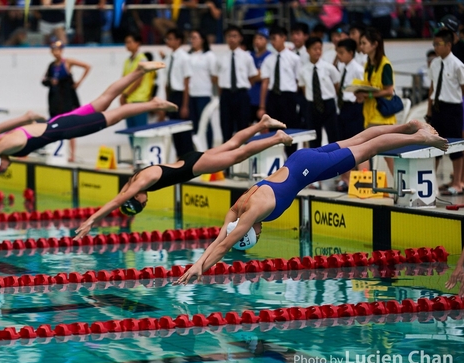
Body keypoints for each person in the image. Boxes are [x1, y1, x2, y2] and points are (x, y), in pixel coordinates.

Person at [174, 121, 448, 284]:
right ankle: (409, 126)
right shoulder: (236, 209)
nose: (260, 231)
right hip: (300, 161)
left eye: (256, 234)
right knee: (359, 139)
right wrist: (198, 264)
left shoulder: (253, 211)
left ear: (248, 230)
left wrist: (202, 267)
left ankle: (419, 137)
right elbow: (220, 239)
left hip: (309, 168)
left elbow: (224, 245)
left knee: (369, 148)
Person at [0, 62, 175, 198]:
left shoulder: (5, 146)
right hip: (60, 121)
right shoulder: (2, 142)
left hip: (66, 127)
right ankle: (138, 71)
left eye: (1, 169)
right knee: (105, 99)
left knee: (115, 115)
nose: (6, 169)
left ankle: (152, 103)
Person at [74, 115, 291, 238]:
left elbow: (116, 201)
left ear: (135, 197)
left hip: (193, 166)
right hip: (190, 161)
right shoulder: (134, 184)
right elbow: (120, 198)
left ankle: (276, 138)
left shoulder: (140, 183)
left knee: (238, 154)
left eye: (141, 205)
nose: (145, 202)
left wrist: (92, 220)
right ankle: (262, 124)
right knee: (231, 145)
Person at [427, 29, 464, 196]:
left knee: (454, 146)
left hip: (452, 108)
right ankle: (431, 182)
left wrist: (451, 97)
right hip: (438, 108)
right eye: (434, 44)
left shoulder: (458, 65)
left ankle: (457, 182)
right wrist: (430, 110)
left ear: (449, 45)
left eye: (439, 44)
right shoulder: (435, 64)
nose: (436, 47)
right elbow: (432, 87)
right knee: (435, 145)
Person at [354, 27, 398, 174]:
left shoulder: (384, 65)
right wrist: (361, 93)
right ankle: (365, 182)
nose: (361, 46)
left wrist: (370, 95)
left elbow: (389, 90)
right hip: (369, 114)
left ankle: (401, 183)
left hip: (381, 117)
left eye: (364, 43)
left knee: (383, 154)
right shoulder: (368, 65)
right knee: (372, 151)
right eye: (361, 43)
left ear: (375, 44)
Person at [41, 40, 91, 162]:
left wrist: (79, 82)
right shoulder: (51, 66)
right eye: (53, 50)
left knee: (70, 126)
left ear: (61, 50)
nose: (56, 52)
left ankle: (72, 154)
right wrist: (50, 82)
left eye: (58, 50)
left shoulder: (68, 62)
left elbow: (87, 67)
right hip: (55, 99)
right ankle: (56, 151)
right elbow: (44, 80)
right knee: (55, 124)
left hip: (67, 99)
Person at [258, 26, 301, 155]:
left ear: (283, 38)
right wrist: (262, 106)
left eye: (275, 38)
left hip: (289, 97)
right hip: (273, 97)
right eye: (271, 39)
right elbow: (265, 83)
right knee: (273, 130)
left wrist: (296, 99)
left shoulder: (294, 58)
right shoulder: (269, 59)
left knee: (290, 129)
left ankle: (291, 157)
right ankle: (275, 158)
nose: (273, 42)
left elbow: (298, 81)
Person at [216, 25, 258, 142]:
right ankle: (227, 157)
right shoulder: (221, 57)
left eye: (235, 36)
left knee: (243, 127)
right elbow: (216, 78)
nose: (232, 39)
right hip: (226, 95)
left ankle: (243, 155)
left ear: (240, 38)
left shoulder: (246, 57)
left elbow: (253, 76)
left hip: (241, 95)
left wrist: (243, 86)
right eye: (229, 36)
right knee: (226, 127)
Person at [298, 36, 340, 151]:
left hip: (328, 103)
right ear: (307, 50)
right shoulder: (303, 70)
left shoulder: (329, 67)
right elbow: (303, 87)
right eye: (314, 49)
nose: (317, 51)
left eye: (319, 49)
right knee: (314, 137)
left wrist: (329, 96)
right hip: (312, 105)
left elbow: (336, 84)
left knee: (333, 135)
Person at [335, 38, 365, 192]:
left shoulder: (358, 69)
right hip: (342, 109)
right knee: (343, 145)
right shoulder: (343, 67)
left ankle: (356, 178)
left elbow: (361, 92)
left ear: (351, 53)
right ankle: (345, 178)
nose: (339, 56)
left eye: (341, 53)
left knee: (354, 144)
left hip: (353, 109)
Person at [163, 28, 195, 158]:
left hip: (181, 95)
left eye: (171, 38)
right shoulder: (169, 57)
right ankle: (179, 157)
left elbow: (186, 82)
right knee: (174, 128)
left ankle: (188, 158)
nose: (168, 41)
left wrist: (185, 105)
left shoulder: (184, 58)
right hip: (172, 95)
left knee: (183, 130)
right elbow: (167, 81)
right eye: (167, 39)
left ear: (178, 40)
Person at [121, 33, 155, 146]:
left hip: (139, 99)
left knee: (140, 131)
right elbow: (124, 79)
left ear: (137, 43)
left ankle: (143, 157)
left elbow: (138, 80)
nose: (128, 45)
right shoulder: (127, 61)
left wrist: (125, 94)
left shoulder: (143, 59)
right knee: (131, 131)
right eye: (126, 42)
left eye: (130, 42)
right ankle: (136, 157)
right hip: (129, 100)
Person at [188, 29, 217, 148]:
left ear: (202, 40)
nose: (192, 40)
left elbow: (214, 76)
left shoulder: (209, 56)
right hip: (191, 94)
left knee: (205, 124)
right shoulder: (188, 55)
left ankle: (209, 148)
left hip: (204, 94)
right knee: (193, 124)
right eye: (191, 38)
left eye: (195, 37)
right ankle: (197, 149)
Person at [249, 28, 272, 123]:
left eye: (261, 38)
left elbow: (263, 76)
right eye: (256, 38)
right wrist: (257, 74)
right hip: (250, 98)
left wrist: (253, 75)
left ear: (267, 41)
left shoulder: (270, 56)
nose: (257, 41)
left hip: (264, 99)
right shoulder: (249, 55)